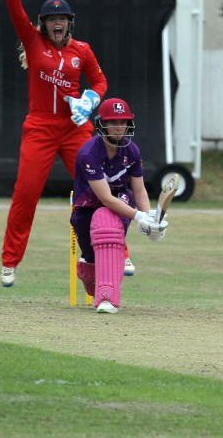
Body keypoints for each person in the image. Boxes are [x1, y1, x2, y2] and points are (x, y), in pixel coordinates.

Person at [0, 0, 135, 286]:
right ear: (43, 24)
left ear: (70, 23)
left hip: (75, 128)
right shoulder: (33, 42)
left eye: (62, 20)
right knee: (26, 193)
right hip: (40, 126)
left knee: (103, 189)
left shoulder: (81, 50)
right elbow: (16, 14)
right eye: (51, 20)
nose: (57, 24)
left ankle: (121, 252)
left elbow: (99, 80)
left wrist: (89, 100)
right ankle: (10, 262)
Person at [70, 98, 168, 314]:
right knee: (91, 259)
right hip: (87, 206)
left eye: (123, 122)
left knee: (109, 232)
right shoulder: (88, 153)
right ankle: (89, 272)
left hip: (120, 200)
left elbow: (139, 190)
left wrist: (149, 219)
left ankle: (108, 299)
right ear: (102, 124)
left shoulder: (132, 151)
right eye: (113, 122)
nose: (119, 127)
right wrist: (139, 217)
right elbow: (105, 198)